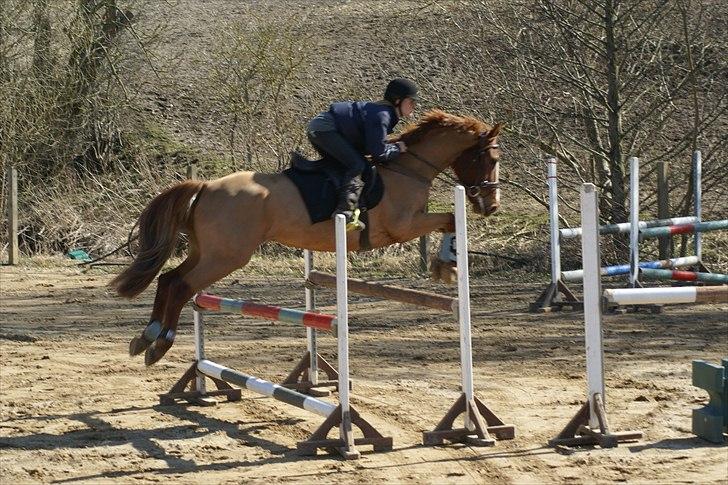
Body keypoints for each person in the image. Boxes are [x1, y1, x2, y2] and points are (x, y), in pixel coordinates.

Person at [306, 78, 418, 231]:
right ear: (398, 100)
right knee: (357, 165)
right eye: (411, 101)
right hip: (325, 129)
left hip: (323, 128)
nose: (414, 106)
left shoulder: (384, 113)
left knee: (352, 164)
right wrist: (398, 149)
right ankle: (345, 213)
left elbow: (374, 147)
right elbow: (378, 153)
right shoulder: (383, 115)